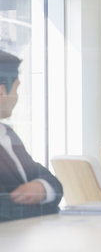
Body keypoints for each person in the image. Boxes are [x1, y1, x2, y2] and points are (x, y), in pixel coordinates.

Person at [0, 50, 63, 222]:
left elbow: (50, 180)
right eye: (16, 89)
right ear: (2, 92)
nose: (17, 97)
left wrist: (42, 188)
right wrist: (47, 204)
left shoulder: (8, 135)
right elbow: (5, 210)